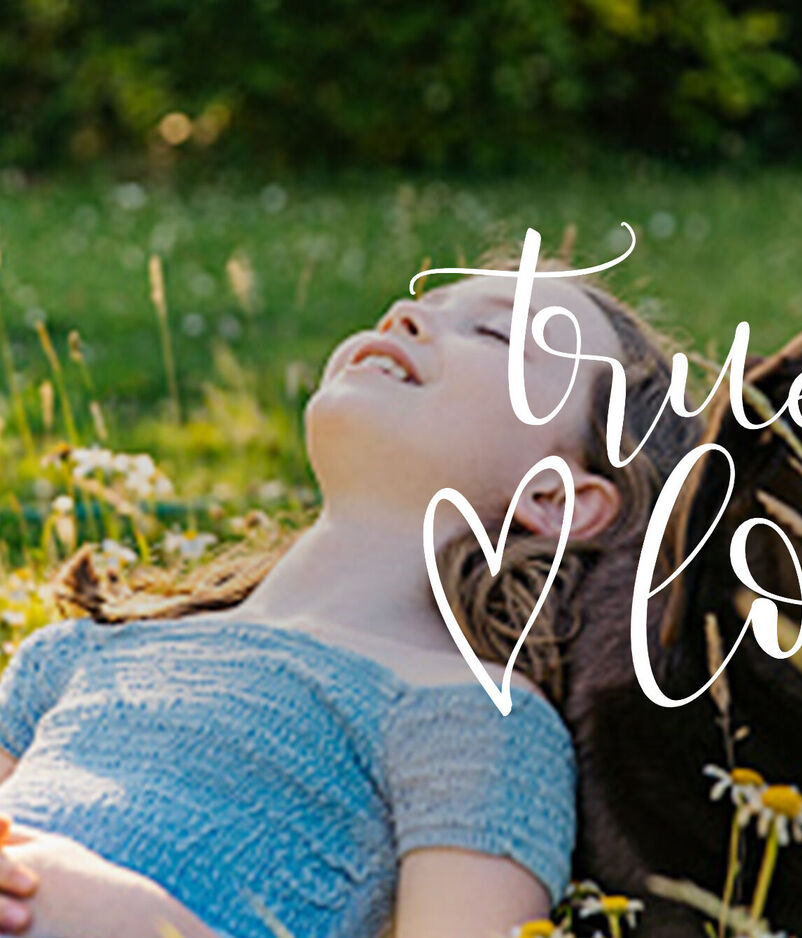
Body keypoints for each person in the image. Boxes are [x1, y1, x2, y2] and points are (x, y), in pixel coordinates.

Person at [0, 252, 696, 938]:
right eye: (424, 303)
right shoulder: (76, 654)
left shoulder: (469, 717)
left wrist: (145, 926)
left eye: (495, 334)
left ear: (558, 498)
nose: (407, 315)